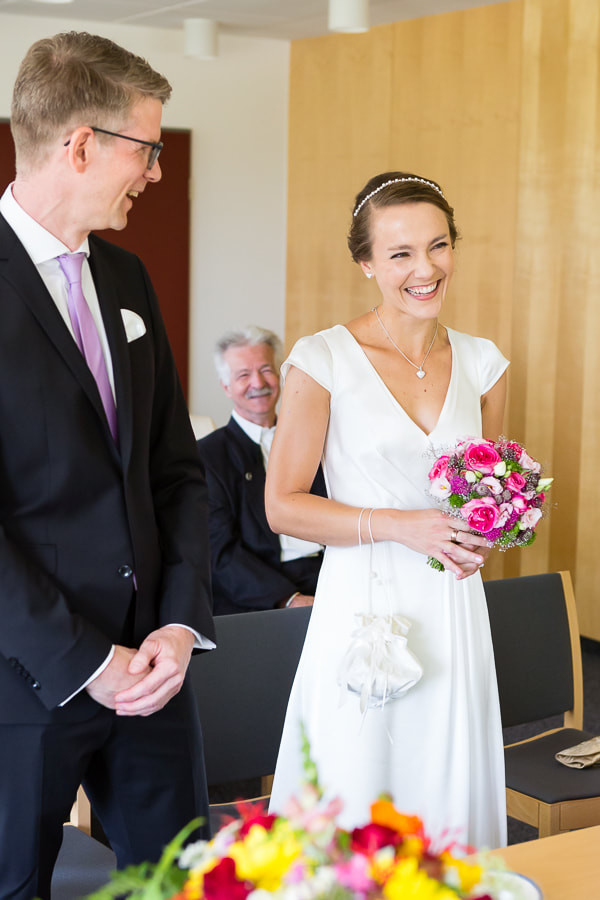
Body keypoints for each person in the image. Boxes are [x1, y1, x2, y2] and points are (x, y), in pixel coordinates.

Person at [0, 31, 215, 898]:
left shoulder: (127, 278)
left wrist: (175, 626)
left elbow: (176, 470)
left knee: (184, 885)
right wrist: (91, 659)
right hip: (26, 677)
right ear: (82, 144)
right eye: (148, 148)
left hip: (155, 672)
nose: (157, 172)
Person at [265, 172, 509, 849]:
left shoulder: (484, 365)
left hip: (453, 603)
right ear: (367, 263)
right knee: (359, 779)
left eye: (438, 246)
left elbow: (480, 492)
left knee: (445, 785)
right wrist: (403, 526)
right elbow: (282, 507)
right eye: (400, 254)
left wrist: (491, 526)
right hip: (363, 604)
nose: (425, 269)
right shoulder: (322, 360)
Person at [197, 326, 326, 615]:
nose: (258, 382)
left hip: (328, 576)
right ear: (225, 386)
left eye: (266, 370)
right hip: (258, 596)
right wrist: (288, 599)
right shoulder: (206, 456)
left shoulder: (316, 440)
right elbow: (217, 552)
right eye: (243, 375)